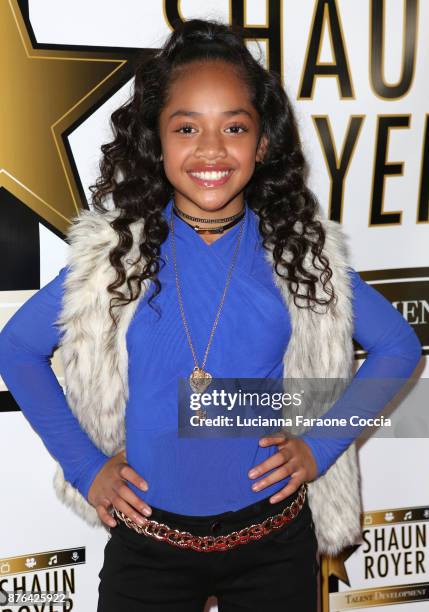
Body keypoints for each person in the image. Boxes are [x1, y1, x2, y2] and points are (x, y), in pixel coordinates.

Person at [0, 18, 421, 612]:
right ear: (157, 140)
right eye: (187, 127)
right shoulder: (114, 257)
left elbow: (398, 347)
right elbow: (17, 349)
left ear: (263, 143)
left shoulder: (296, 252)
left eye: (235, 127)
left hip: (274, 546)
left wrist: (319, 446)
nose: (211, 149)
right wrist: (87, 467)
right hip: (148, 550)